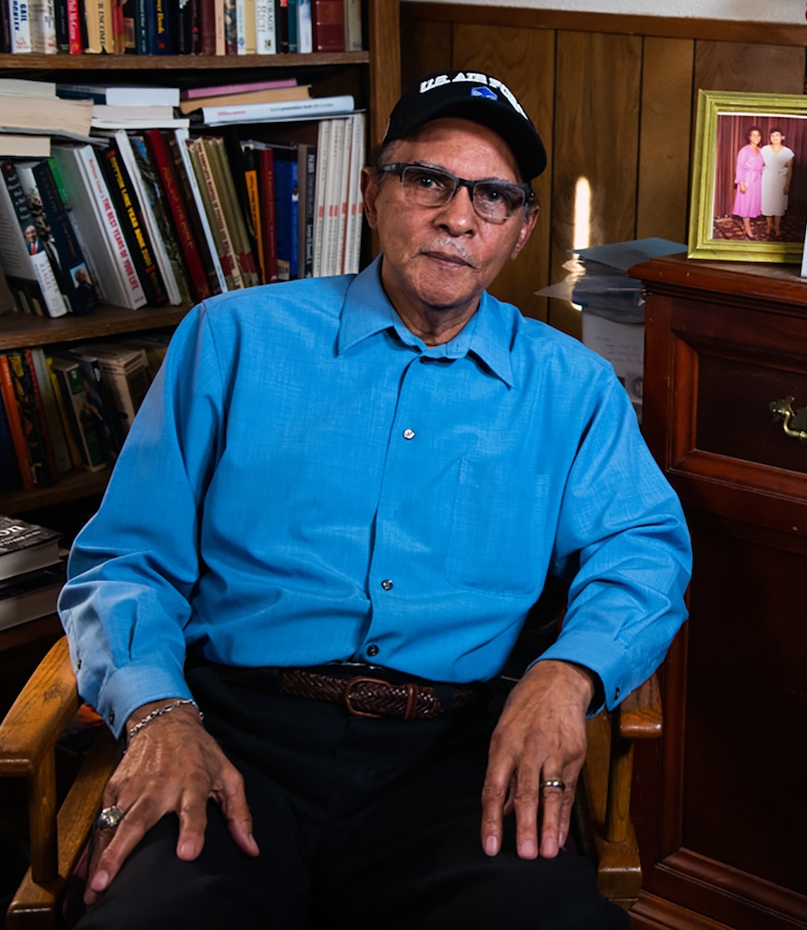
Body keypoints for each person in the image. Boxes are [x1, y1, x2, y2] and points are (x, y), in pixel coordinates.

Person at [57, 70, 693, 929]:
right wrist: (158, 714)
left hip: (450, 761)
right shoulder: (232, 337)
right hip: (235, 735)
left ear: (521, 229)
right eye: (426, 180)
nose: (457, 217)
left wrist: (566, 673)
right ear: (370, 193)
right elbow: (127, 556)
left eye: (493, 197)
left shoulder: (570, 384)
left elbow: (643, 550)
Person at [758, 128, 794, 242]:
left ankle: (777, 227)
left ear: (782, 137)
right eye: (772, 136)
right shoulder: (764, 150)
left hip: (780, 179)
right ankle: (769, 226)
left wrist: (787, 185)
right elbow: (759, 163)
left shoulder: (788, 152)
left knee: (778, 204)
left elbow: (790, 168)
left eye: (777, 136)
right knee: (767, 203)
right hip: (767, 178)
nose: (775, 138)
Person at [732, 126, 765, 240]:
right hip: (747, 179)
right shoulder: (744, 150)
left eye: (758, 135)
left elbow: (762, 166)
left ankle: (748, 224)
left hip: (757, 180)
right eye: (753, 135)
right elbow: (739, 167)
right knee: (746, 204)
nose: (756, 137)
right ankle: (747, 229)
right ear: (749, 137)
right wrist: (741, 183)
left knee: (752, 204)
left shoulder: (760, 151)